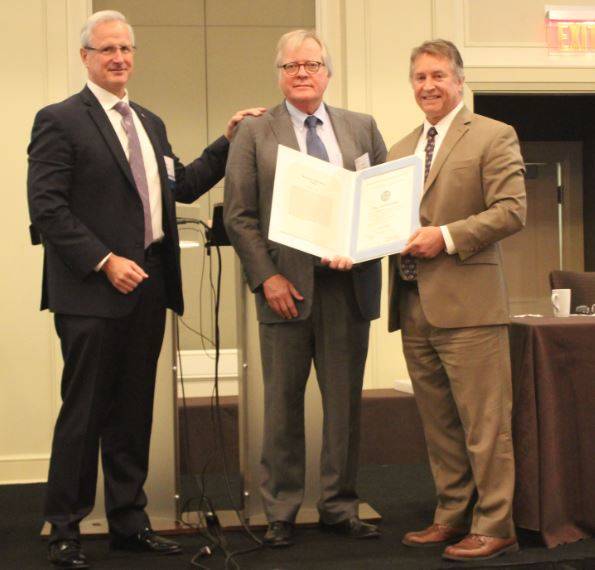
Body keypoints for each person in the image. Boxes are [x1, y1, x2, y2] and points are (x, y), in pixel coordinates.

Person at [27, 10, 263, 569]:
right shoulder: (59, 120)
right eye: (106, 49)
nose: (118, 58)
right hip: (90, 291)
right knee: (84, 411)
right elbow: (47, 208)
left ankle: (129, 522)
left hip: (150, 288)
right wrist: (105, 261)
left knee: (133, 412)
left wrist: (226, 143)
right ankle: (65, 526)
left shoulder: (149, 123)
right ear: (85, 57)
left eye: (126, 49)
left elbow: (177, 186)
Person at [224, 29, 386, 548]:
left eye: (311, 64)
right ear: (279, 74)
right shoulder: (255, 132)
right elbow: (239, 216)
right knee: (282, 407)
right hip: (283, 291)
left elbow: (382, 204)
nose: (302, 73)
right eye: (291, 66)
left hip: (347, 288)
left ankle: (340, 505)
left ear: (327, 73)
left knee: (343, 407)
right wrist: (267, 276)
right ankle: (281, 510)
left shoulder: (362, 128)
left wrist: (361, 247)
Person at [387, 39, 526, 562]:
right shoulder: (399, 150)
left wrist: (443, 236)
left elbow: (512, 211)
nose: (429, 85)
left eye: (439, 75)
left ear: (459, 81)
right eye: (420, 77)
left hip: (470, 305)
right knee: (439, 423)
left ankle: (495, 524)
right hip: (412, 301)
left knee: (485, 423)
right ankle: (450, 516)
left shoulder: (493, 135)